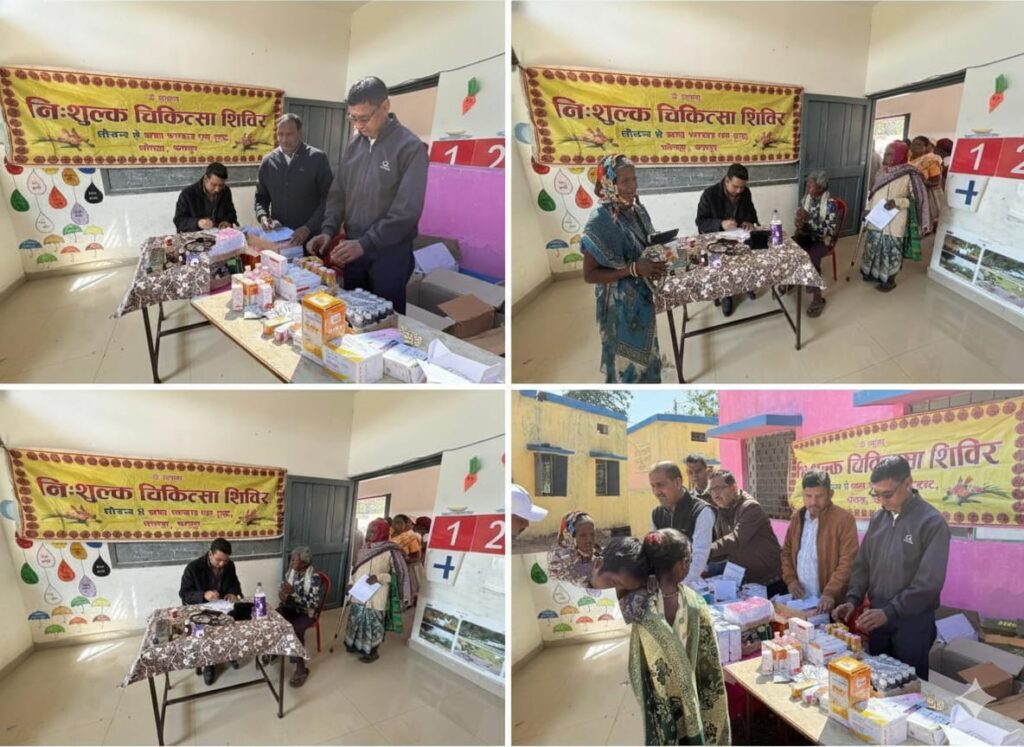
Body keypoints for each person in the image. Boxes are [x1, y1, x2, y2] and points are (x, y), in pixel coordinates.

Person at [591, 531, 730, 745]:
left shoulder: (635, 602)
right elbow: (708, 661)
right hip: (690, 696)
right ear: (683, 565)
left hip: (655, 697)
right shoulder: (696, 603)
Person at [307, 76, 428, 313]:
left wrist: (367, 242)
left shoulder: (410, 147)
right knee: (354, 316)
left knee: (386, 319)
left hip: (389, 254)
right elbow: (338, 194)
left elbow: (407, 212)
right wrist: (328, 230)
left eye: (364, 118)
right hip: (353, 250)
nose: (358, 125)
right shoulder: (354, 145)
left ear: (385, 106)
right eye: (352, 118)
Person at [833, 456, 950, 679]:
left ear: (908, 483)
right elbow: (862, 565)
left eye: (887, 494)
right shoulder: (879, 518)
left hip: (912, 623)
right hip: (877, 618)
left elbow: (928, 584)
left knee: (909, 686)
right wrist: (852, 599)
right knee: (878, 683)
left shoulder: (931, 523)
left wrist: (891, 611)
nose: (881, 501)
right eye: (876, 494)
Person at [581, 153, 667, 383]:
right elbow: (589, 275)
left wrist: (661, 248)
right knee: (625, 366)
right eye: (624, 181)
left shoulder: (636, 209)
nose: (632, 186)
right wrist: (633, 270)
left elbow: (645, 242)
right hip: (617, 306)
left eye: (634, 179)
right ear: (608, 183)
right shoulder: (600, 221)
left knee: (647, 354)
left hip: (641, 298)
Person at [780, 470, 859, 615]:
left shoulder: (844, 520)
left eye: (819, 496)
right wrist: (790, 580)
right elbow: (786, 552)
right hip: (801, 600)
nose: (813, 502)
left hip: (829, 603)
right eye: (808, 496)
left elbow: (848, 561)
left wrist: (830, 592)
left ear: (830, 494)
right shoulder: (797, 518)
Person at [254, 113, 334, 248]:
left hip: (311, 240)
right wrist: (263, 216)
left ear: (300, 133)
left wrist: (308, 227)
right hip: (279, 239)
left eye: (289, 134)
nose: (284, 139)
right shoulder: (268, 162)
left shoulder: (317, 158)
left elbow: (328, 199)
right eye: (280, 134)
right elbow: (261, 197)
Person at [860, 141, 931, 292]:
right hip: (877, 217)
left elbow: (915, 200)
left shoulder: (910, 175)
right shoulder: (882, 172)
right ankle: (872, 273)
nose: (885, 156)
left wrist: (897, 202)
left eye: (890, 154)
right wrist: (867, 209)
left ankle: (889, 281)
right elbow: (874, 194)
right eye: (885, 153)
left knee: (891, 251)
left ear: (899, 155)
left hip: (895, 220)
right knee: (873, 247)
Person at [707, 470, 786, 596]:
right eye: (712, 490)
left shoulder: (750, 507)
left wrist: (706, 551)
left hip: (772, 580)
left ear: (733, 487)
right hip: (748, 581)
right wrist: (701, 556)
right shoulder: (721, 511)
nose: (715, 494)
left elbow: (735, 539)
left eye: (719, 488)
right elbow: (722, 547)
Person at [696, 162, 760, 317]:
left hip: (739, 236)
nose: (739, 191)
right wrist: (720, 224)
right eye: (735, 186)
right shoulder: (709, 194)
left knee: (750, 255)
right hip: (717, 240)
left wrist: (749, 221)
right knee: (721, 264)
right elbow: (700, 221)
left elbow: (751, 212)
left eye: (742, 187)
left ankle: (746, 283)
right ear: (726, 180)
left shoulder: (745, 192)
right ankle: (726, 294)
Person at [345, 518, 413, 663]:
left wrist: (379, 577)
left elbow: (397, 574)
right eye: (368, 530)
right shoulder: (364, 549)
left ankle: (372, 652)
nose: (369, 534)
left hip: (377, 595)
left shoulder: (391, 551)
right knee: (356, 620)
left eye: (373, 531)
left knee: (373, 624)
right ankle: (355, 646)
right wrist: (350, 584)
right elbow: (356, 571)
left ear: (382, 532)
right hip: (359, 593)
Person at [178, 537, 242, 685]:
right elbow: (184, 593)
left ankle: (228, 653)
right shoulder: (193, 568)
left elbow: (235, 584)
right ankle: (209, 663)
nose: (222, 564)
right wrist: (203, 595)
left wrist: (233, 593)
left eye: (225, 560)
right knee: (207, 631)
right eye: (218, 560)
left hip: (222, 607)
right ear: (210, 554)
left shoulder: (229, 565)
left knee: (233, 624)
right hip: (202, 610)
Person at [649, 461, 713, 586]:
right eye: (653, 486)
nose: (656, 492)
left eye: (660, 485)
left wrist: (676, 586)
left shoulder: (701, 511)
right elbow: (655, 552)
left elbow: (699, 557)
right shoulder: (656, 514)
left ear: (677, 483)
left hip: (692, 584)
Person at [792, 170, 839, 318]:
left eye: (810, 186)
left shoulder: (831, 204)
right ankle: (791, 279)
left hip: (823, 240)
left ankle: (817, 298)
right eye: (807, 185)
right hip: (807, 235)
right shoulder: (807, 198)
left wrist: (809, 220)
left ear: (821, 188)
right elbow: (800, 217)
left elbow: (828, 231)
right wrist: (798, 220)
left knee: (812, 256)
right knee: (790, 246)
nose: (807, 189)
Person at [275, 546, 322, 687]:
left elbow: (312, 603)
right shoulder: (292, 572)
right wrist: (282, 594)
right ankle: (274, 651)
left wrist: (293, 593)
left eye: (294, 560)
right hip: (292, 608)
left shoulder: (314, 577)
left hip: (307, 612)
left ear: (304, 562)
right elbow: (284, 591)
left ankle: (301, 670)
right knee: (275, 616)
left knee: (295, 629)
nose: (291, 563)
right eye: (291, 559)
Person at [173, 162, 238, 233]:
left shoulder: (225, 191)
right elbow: (179, 221)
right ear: (205, 179)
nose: (217, 189)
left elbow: (231, 213)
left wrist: (226, 221)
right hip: (196, 236)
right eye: (213, 185)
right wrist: (198, 223)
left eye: (221, 185)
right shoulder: (188, 194)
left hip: (219, 235)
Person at [547, 511, 602, 587]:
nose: (589, 540)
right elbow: (555, 585)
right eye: (583, 535)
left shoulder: (598, 557)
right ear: (571, 537)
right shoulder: (560, 559)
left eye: (592, 534)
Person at [909, 135, 944, 232]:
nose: (915, 147)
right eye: (913, 144)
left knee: (923, 219)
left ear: (926, 147)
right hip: (910, 193)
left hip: (925, 194)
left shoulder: (931, 160)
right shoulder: (908, 158)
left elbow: (936, 180)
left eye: (919, 145)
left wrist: (921, 182)